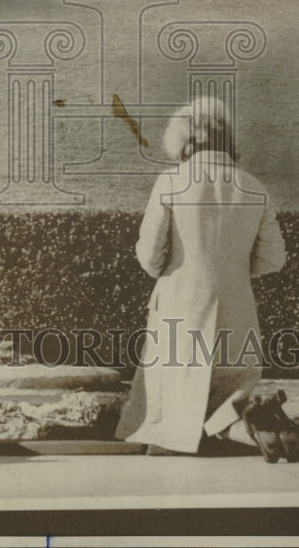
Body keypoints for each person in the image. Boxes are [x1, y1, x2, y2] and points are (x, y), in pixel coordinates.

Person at [115, 95, 286, 455]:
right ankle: (254, 427)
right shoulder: (255, 187)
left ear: (184, 140)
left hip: (181, 304)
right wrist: (233, 271)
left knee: (173, 407)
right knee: (229, 395)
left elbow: (149, 257)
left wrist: (172, 269)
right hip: (237, 306)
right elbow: (273, 259)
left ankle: (189, 443)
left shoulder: (171, 182)